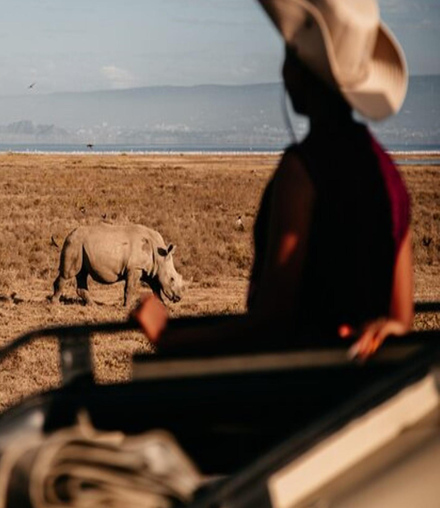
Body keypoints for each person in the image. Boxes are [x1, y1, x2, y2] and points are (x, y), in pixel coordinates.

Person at [133, 0, 413, 361]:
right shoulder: (389, 175)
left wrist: (170, 337)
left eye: (290, 55)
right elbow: (401, 318)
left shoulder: (303, 171)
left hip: (300, 385)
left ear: (303, 69)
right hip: (362, 386)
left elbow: (273, 322)